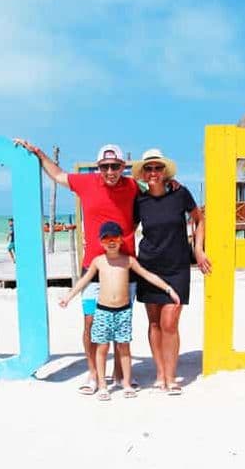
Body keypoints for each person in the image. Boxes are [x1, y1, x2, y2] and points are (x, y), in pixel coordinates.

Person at [13, 138, 140, 395]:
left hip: (124, 268)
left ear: (123, 166)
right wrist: (38, 152)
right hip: (92, 269)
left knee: (120, 323)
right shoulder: (86, 183)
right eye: (105, 167)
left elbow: (154, 199)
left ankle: (118, 375)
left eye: (115, 166)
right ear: (98, 167)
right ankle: (93, 375)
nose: (110, 172)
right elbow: (58, 175)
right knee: (91, 323)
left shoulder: (134, 186)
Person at [59, 222, 180, 401]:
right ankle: (102, 385)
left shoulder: (128, 261)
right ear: (101, 242)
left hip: (123, 312)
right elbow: (84, 281)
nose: (111, 241)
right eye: (106, 238)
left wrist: (168, 289)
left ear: (121, 240)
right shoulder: (98, 262)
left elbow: (147, 275)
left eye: (115, 237)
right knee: (102, 348)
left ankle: (126, 383)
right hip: (102, 312)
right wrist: (68, 297)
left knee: (124, 348)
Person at [133, 149, 210, 396]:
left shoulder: (180, 194)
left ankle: (171, 375)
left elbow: (200, 219)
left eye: (157, 168)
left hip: (177, 267)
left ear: (164, 172)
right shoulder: (140, 201)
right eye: (149, 169)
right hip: (148, 267)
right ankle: (159, 375)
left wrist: (198, 250)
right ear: (143, 174)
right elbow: (127, 229)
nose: (153, 172)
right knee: (154, 322)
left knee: (169, 322)